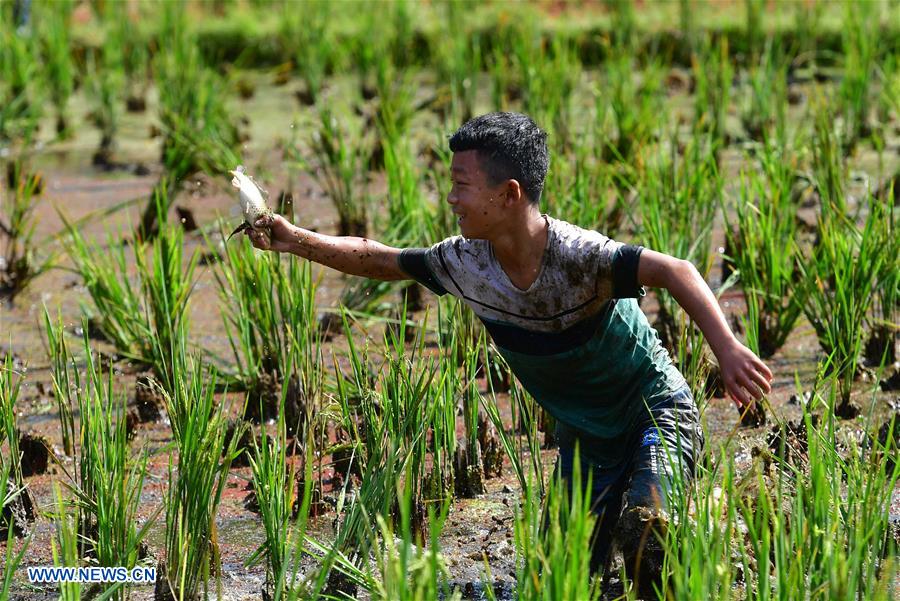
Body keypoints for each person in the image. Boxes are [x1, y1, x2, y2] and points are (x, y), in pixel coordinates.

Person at [246, 112, 772, 594]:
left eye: (461, 185)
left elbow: (674, 270)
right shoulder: (465, 264)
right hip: (587, 439)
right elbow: (382, 260)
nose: (451, 199)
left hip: (652, 413)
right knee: (559, 583)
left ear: (509, 194)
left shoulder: (579, 257)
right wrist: (295, 241)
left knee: (648, 536)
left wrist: (726, 349)